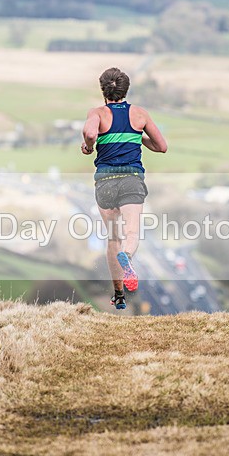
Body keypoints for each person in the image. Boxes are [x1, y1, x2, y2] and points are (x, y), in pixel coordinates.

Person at [81, 67, 168, 310]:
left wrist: (89, 146)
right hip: (131, 180)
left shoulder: (97, 113)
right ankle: (127, 258)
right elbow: (161, 146)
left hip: (106, 182)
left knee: (113, 238)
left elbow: (90, 132)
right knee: (132, 233)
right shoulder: (140, 114)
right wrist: (136, 136)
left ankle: (118, 294)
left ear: (103, 90)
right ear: (125, 89)